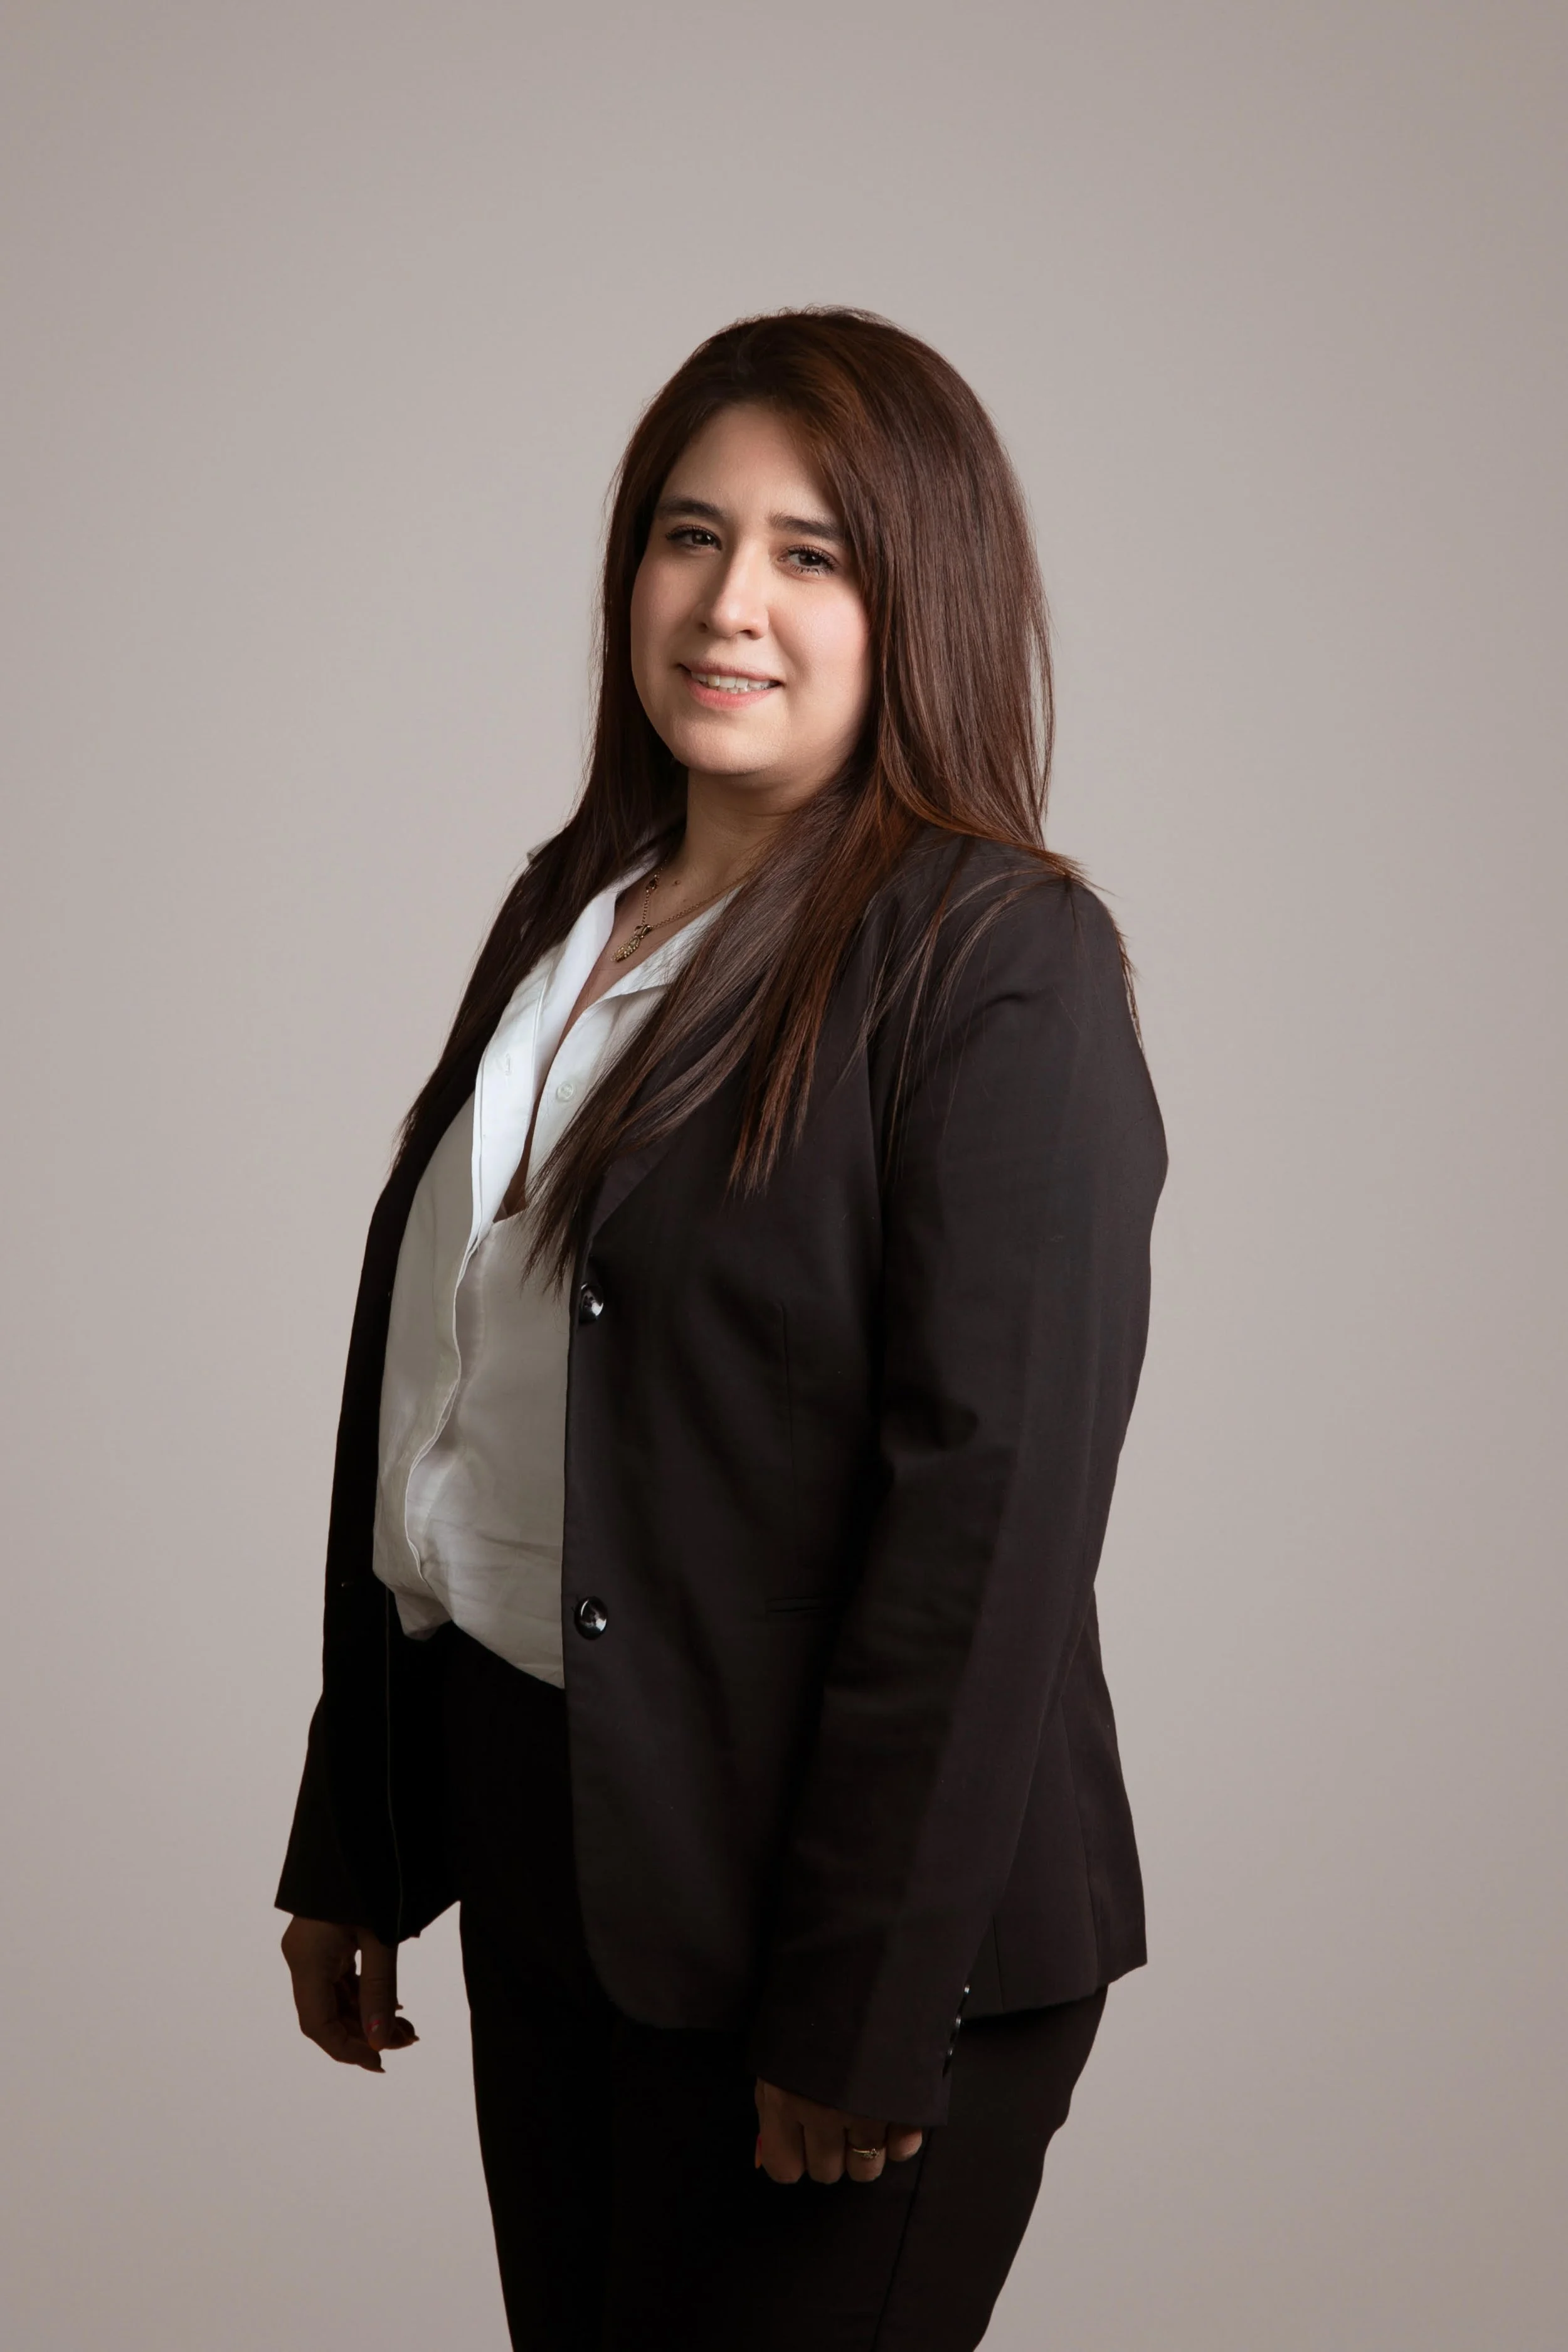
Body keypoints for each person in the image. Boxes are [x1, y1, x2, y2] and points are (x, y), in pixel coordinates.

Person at [276, 306, 1165, 2349]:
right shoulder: (574, 910)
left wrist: (864, 1997)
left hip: (834, 1916)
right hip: (560, 1842)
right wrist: (364, 1827)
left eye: (808, 553)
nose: (726, 602)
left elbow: (988, 1518)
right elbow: (448, 1403)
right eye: (689, 535)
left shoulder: (997, 958)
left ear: (919, 599)